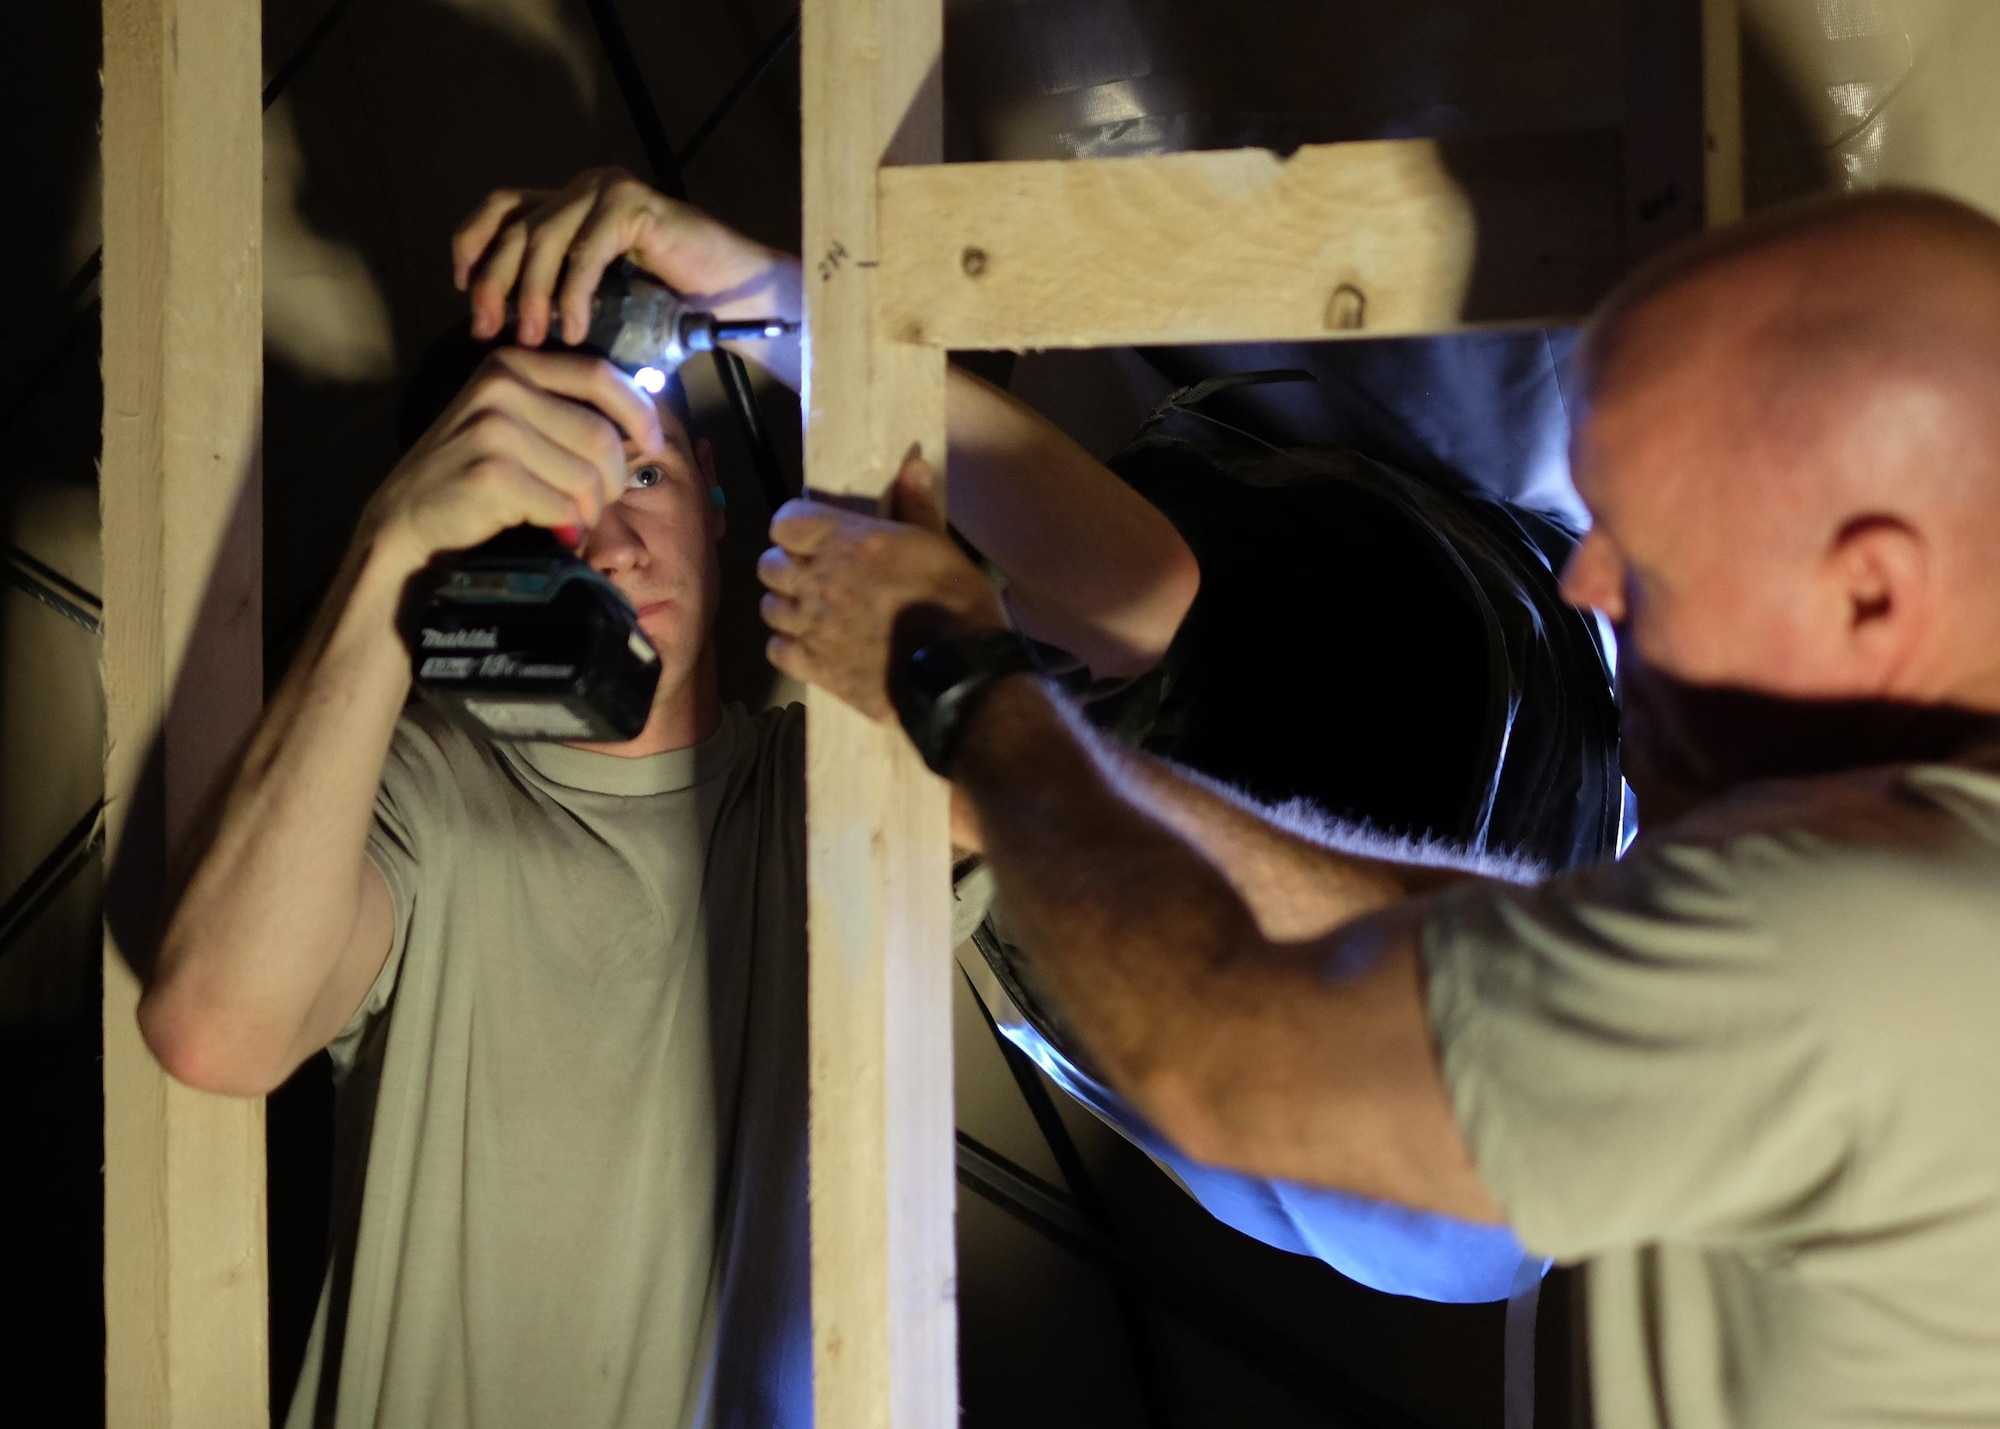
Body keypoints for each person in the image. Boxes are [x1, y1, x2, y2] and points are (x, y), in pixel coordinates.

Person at [759, 188, 2000, 1427]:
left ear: (1871, 594)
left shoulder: (1879, 949)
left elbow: (1217, 1050)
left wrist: (962, 691)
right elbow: (1417, 931)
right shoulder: (1900, 886)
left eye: (1649, 549)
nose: (1593, 576)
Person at [138, 168, 1198, 1429]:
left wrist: (774, 305)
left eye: (634, 478)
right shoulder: (422, 792)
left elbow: (1139, 601)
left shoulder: (825, 800)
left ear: (706, 487)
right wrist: (390, 555)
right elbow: (215, 1028)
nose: (612, 543)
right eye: (545, 507)